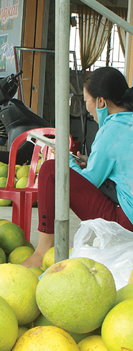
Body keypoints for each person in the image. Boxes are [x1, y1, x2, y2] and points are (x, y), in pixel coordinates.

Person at [22, 67, 133, 267]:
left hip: (125, 221)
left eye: (86, 101)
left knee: (51, 171)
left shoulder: (112, 129)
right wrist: (88, 162)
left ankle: (42, 252)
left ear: (100, 101)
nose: (87, 108)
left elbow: (91, 181)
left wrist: (67, 160)